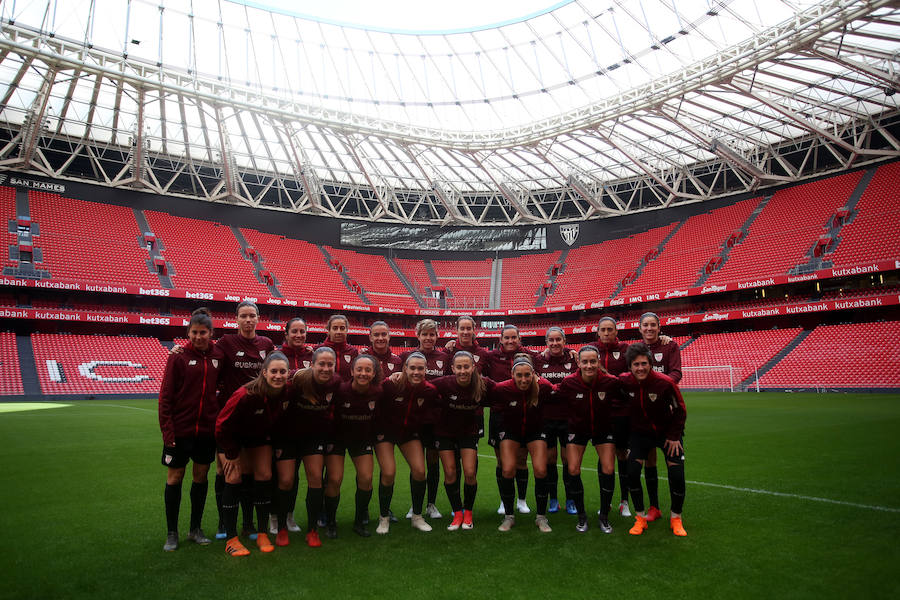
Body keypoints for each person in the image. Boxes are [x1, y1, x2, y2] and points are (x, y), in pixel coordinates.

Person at [174, 301, 275, 540]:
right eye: (244, 316)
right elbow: (204, 353)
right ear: (236, 319)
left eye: (252, 316)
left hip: (255, 419)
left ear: (258, 318)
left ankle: (248, 523)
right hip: (228, 418)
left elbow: (277, 369)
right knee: (225, 470)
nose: (248, 320)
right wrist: (181, 349)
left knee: (248, 472)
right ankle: (223, 522)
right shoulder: (226, 344)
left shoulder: (266, 344)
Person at [158, 309, 224, 551]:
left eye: (203, 332)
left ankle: (195, 529)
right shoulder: (178, 356)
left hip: (206, 431)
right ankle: (172, 533)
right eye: (194, 332)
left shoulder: (219, 354)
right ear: (188, 333)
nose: (199, 337)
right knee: (175, 477)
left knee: (200, 477)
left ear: (211, 333)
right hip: (180, 431)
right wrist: (168, 433)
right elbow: (165, 398)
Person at [215, 351, 290, 557]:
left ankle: (262, 533)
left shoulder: (286, 391)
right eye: (273, 371)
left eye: (282, 372)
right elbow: (221, 427)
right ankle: (231, 538)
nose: (278, 375)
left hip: (258, 439)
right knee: (234, 477)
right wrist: (232, 454)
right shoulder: (246, 394)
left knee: (265, 475)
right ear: (264, 372)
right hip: (231, 439)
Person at [619, 343, 687, 537]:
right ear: (630, 367)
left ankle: (676, 518)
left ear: (650, 363)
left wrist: (674, 436)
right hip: (640, 435)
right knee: (632, 472)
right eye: (635, 364)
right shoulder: (625, 382)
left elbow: (680, 410)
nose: (640, 368)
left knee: (676, 475)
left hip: (668, 434)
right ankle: (640, 518)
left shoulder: (665, 383)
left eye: (643, 363)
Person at [555, 345, 623, 533]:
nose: (589, 365)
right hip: (577, 430)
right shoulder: (569, 382)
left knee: (609, 468)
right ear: (578, 362)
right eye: (585, 361)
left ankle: (604, 517)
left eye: (593, 361)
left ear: (598, 361)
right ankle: (582, 516)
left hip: (603, 430)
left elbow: (625, 397)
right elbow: (553, 394)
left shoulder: (610, 382)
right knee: (573, 469)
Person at [374, 352, 438, 534]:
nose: (416, 372)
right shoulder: (390, 384)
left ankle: (417, 516)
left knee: (419, 471)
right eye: (412, 368)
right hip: (385, 433)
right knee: (388, 472)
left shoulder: (429, 391)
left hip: (409, 434)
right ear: (404, 369)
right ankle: (384, 518)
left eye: (420, 368)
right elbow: (374, 399)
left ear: (426, 370)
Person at [431, 352, 496, 531]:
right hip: (444, 433)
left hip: (468, 433)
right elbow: (422, 387)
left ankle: (468, 512)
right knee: (450, 473)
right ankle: (457, 513)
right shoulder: (444, 383)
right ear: (452, 368)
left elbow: (506, 389)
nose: (462, 370)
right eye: (458, 367)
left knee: (469, 473)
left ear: (473, 367)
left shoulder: (483, 384)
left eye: (466, 366)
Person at [492, 355, 556, 532]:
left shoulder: (543, 386)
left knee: (541, 469)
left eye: (527, 375)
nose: (523, 379)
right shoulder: (503, 388)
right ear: (512, 375)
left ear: (533, 374)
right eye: (519, 375)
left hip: (535, 432)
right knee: (507, 469)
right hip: (511, 432)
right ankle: (509, 516)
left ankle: (541, 518)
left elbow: (559, 391)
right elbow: (485, 391)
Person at [287, 347, 341, 548]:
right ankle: (281, 522)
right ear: (312, 365)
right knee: (286, 480)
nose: (326, 368)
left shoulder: (336, 383)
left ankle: (312, 530)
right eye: (321, 364)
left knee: (316, 478)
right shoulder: (298, 379)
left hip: (314, 438)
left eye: (330, 365)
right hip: (290, 437)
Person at [323, 354, 382, 538]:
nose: (363, 373)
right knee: (334, 479)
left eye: (367, 370)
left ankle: (359, 522)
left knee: (365, 478)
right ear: (352, 371)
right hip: (337, 439)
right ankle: (331, 522)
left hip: (361, 440)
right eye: (359, 369)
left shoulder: (378, 392)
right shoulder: (340, 391)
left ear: (373, 373)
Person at [400, 319, 450, 520]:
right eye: (425, 334)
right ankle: (416, 504)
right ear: (417, 335)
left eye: (432, 334)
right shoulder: (406, 356)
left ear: (436, 336)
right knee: (417, 464)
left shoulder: (445, 357)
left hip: (435, 418)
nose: (428, 338)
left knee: (432, 462)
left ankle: (431, 504)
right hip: (413, 418)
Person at [637, 312, 682, 523]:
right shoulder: (635, 350)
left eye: (652, 325)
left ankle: (676, 515)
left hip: (668, 414)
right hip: (644, 417)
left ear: (659, 327)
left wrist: (659, 387)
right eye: (645, 325)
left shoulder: (669, 346)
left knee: (674, 465)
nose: (649, 328)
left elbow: (676, 373)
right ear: (640, 328)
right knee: (649, 461)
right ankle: (654, 507)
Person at [271, 316, 314, 535]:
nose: (299, 335)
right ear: (286, 334)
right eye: (294, 331)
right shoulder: (277, 356)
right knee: (282, 476)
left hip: (305, 427)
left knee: (295, 476)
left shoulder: (312, 356)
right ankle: (274, 515)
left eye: (302, 331)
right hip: (280, 426)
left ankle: (289, 515)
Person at [487, 325, 536, 515]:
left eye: (513, 337)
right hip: (499, 416)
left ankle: (522, 500)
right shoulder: (490, 356)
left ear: (519, 338)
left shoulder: (529, 356)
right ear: (500, 339)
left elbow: (548, 355)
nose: (510, 341)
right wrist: (451, 346)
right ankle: (504, 500)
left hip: (523, 414)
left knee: (522, 459)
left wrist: (571, 351)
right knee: (501, 462)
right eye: (506, 338)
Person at [534, 327, 577, 514]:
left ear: (564, 341)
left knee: (569, 460)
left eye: (558, 340)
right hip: (546, 418)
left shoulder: (573, 359)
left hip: (568, 417)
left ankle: (570, 499)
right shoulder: (538, 360)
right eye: (550, 340)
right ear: (546, 343)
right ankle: (553, 499)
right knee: (550, 460)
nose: (554, 343)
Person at [595, 316, 632, 517]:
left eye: (611, 329)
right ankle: (605, 502)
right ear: (598, 332)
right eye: (604, 330)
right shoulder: (591, 350)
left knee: (623, 456)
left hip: (624, 412)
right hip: (602, 413)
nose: (607, 333)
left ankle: (624, 501)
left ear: (616, 332)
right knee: (604, 457)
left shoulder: (627, 350)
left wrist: (664, 339)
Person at [318, 314, 358, 382]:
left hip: (345, 391)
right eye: (335, 328)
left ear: (347, 330)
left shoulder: (353, 352)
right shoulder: (317, 350)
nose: (339, 332)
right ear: (329, 330)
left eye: (342, 328)